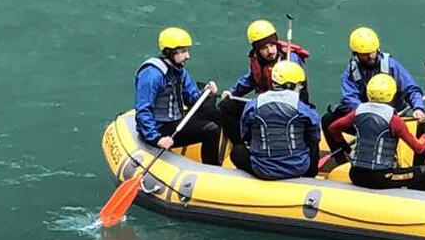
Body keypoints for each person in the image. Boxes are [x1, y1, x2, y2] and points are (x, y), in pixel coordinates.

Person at [326, 73, 425, 191]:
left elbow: (333, 128)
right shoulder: (394, 120)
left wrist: (349, 151)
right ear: (392, 94)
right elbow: (419, 147)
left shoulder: (357, 112)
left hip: (355, 174)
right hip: (382, 177)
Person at [321, 27, 425, 150]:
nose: (371, 56)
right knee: (328, 119)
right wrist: (369, 118)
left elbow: (411, 89)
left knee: (420, 127)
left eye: (373, 52)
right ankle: (344, 157)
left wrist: (418, 107)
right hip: (365, 118)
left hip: (394, 118)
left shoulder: (391, 66)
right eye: (365, 55)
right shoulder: (350, 72)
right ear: (356, 54)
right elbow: (350, 99)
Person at [134, 26, 219, 165]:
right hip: (159, 128)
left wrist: (207, 93)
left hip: (174, 121)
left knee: (215, 114)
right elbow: (143, 110)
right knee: (211, 130)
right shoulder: (152, 75)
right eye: (183, 51)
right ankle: (214, 168)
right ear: (170, 52)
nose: (188, 56)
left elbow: (192, 99)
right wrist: (156, 139)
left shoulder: (179, 70)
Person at [219, 19, 310, 147]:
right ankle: (242, 144)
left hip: (286, 108)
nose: (270, 51)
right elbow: (251, 79)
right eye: (264, 48)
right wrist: (232, 92)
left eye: (272, 45)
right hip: (263, 104)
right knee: (226, 106)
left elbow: (299, 92)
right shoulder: (257, 59)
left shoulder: (290, 60)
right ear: (257, 50)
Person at [231, 60, 321, 180]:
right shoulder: (303, 109)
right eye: (299, 84)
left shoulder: (254, 105)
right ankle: (310, 176)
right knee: (313, 143)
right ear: (290, 85)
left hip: (261, 168)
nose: (301, 87)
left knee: (237, 151)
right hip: (298, 168)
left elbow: (246, 134)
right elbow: (315, 136)